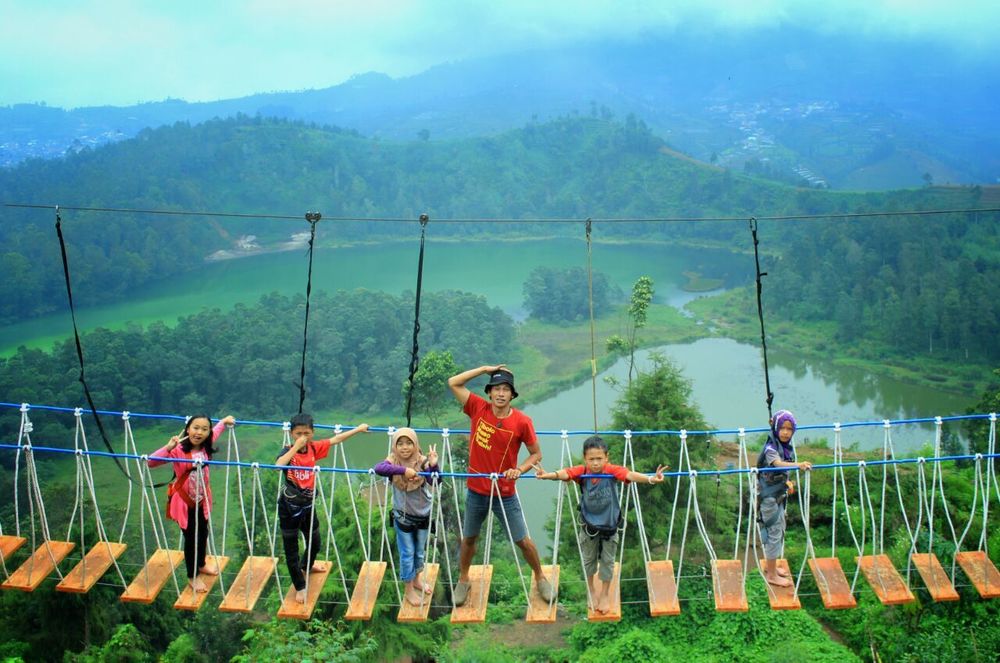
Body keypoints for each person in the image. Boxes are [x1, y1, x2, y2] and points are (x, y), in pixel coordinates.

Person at [447, 364, 554, 606]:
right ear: (489, 392)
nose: (500, 393)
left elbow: (536, 454)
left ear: (512, 395)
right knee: (469, 539)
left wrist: (520, 470)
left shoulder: (522, 422)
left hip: (504, 493)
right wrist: (485, 369)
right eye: (496, 388)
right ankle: (463, 579)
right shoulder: (477, 408)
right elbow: (453, 382)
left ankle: (540, 577)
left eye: (506, 389)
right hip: (476, 490)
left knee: (522, 540)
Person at [535, 435, 666, 613]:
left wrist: (650, 478)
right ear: (585, 459)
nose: (595, 463)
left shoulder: (611, 471)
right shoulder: (583, 472)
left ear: (606, 457)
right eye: (591, 459)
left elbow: (629, 475)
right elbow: (565, 473)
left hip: (610, 527)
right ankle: (591, 589)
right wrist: (548, 475)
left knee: (608, 562)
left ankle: (604, 593)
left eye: (599, 459)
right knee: (588, 561)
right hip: (589, 527)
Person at [275, 413, 370, 603]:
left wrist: (358, 429)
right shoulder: (287, 451)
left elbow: (336, 439)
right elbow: (278, 466)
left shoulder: (313, 448)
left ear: (313, 433)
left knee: (315, 541)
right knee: (291, 549)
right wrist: (295, 447)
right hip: (289, 508)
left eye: (307, 433)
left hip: (308, 505)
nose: (303, 437)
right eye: (299, 433)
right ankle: (300, 586)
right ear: (292, 434)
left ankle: (307, 566)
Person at [149, 413, 236, 592]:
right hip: (184, 502)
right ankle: (192, 576)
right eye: (195, 428)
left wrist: (223, 421)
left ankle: (202, 563)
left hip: (201, 500)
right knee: (190, 539)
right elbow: (151, 462)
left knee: (203, 533)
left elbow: (216, 431)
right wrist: (168, 447)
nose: (199, 432)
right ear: (187, 429)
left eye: (204, 429)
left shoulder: (205, 445)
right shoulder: (178, 449)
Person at [374, 427, 440, 606]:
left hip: (423, 515)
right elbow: (379, 468)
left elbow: (435, 481)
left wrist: (433, 465)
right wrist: (403, 471)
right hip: (402, 516)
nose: (404, 447)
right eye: (400, 443)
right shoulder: (392, 460)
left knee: (419, 551)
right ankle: (409, 590)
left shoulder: (421, 460)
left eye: (409, 443)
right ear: (395, 446)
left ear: (415, 444)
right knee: (407, 553)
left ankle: (417, 579)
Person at [757, 409, 811, 587]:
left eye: (789, 429)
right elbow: (777, 464)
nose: (786, 432)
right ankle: (772, 575)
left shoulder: (782, 446)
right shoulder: (771, 449)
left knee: (779, 530)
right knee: (774, 532)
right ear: (776, 429)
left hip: (777, 495)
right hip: (769, 498)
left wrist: (787, 482)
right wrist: (799, 465)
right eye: (782, 428)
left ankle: (771, 567)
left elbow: (780, 471)